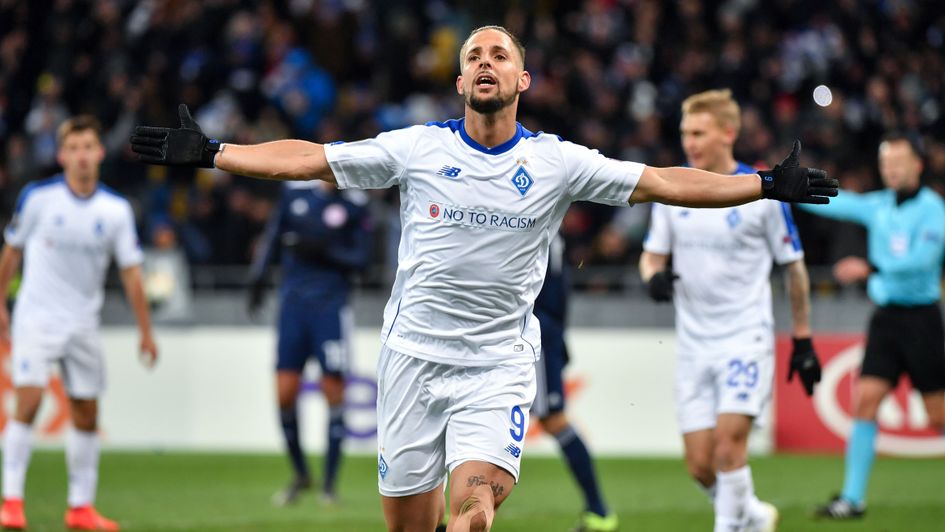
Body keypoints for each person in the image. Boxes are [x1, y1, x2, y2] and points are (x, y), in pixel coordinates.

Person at [130, 26, 836, 532]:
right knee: (409, 524)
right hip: (410, 359)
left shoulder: (557, 162)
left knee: (473, 510)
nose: (485, 62)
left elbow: (663, 181)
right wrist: (216, 152)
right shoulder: (416, 148)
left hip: (496, 365)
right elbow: (311, 158)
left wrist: (762, 184)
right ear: (461, 82)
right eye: (474, 56)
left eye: (500, 54)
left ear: (523, 80)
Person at [639, 89, 823, 532]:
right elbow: (651, 256)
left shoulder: (762, 193)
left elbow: (794, 267)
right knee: (700, 465)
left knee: (728, 447)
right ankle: (754, 515)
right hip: (693, 346)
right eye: (685, 133)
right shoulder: (674, 191)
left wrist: (802, 338)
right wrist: (653, 277)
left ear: (728, 133)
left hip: (745, 338)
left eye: (699, 133)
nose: (689, 142)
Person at [0, 116, 158, 531]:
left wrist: (145, 331)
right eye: (74, 148)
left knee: (87, 412)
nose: (82, 156)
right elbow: (12, 252)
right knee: (29, 401)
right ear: (61, 156)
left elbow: (132, 274)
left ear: (100, 152)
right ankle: (11, 501)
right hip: (37, 317)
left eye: (88, 147)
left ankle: (80, 507)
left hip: (83, 323)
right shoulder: (38, 199)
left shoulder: (116, 210)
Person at [801, 133, 945, 519]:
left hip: (922, 320)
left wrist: (871, 267)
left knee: (938, 415)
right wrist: (787, 191)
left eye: (898, 162)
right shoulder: (879, 205)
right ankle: (852, 500)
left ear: (917, 165)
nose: (891, 170)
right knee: (865, 402)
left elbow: (923, 259)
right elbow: (841, 203)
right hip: (886, 320)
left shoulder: (934, 210)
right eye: (886, 163)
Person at [247, 180, 373, 506]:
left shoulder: (355, 205)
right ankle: (301, 474)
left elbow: (362, 258)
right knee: (284, 394)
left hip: (330, 307)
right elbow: (273, 237)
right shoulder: (294, 195)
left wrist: (325, 252)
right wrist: (258, 277)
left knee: (334, 393)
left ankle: (329, 485)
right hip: (292, 307)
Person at [532, 234, 617, 532]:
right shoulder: (548, 223)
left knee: (554, 420)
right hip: (539, 328)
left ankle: (599, 510)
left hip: (533, 331)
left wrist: (553, 335)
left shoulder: (534, 222)